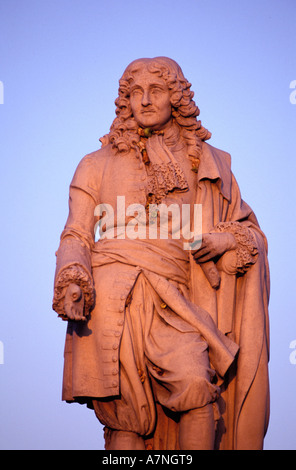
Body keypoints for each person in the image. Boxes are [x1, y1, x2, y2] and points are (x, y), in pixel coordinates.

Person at [52, 57, 270, 450]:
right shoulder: (94, 164)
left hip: (176, 297)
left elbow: (249, 231)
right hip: (110, 293)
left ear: (177, 97)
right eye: (136, 93)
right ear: (126, 101)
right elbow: (76, 234)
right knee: (124, 416)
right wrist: (72, 279)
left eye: (157, 91)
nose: (146, 101)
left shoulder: (208, 162)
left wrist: (224, 240)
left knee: (195, 383)